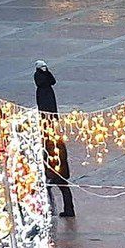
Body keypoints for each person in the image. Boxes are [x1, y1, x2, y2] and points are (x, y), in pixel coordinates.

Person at [35, 62, 74, 219]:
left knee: (49, 189)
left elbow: (52, 81)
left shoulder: (50, 144)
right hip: (61, 171)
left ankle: (49, 211)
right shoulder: (58, 142)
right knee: (63, 189)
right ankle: (67, 209)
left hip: (55, 171)